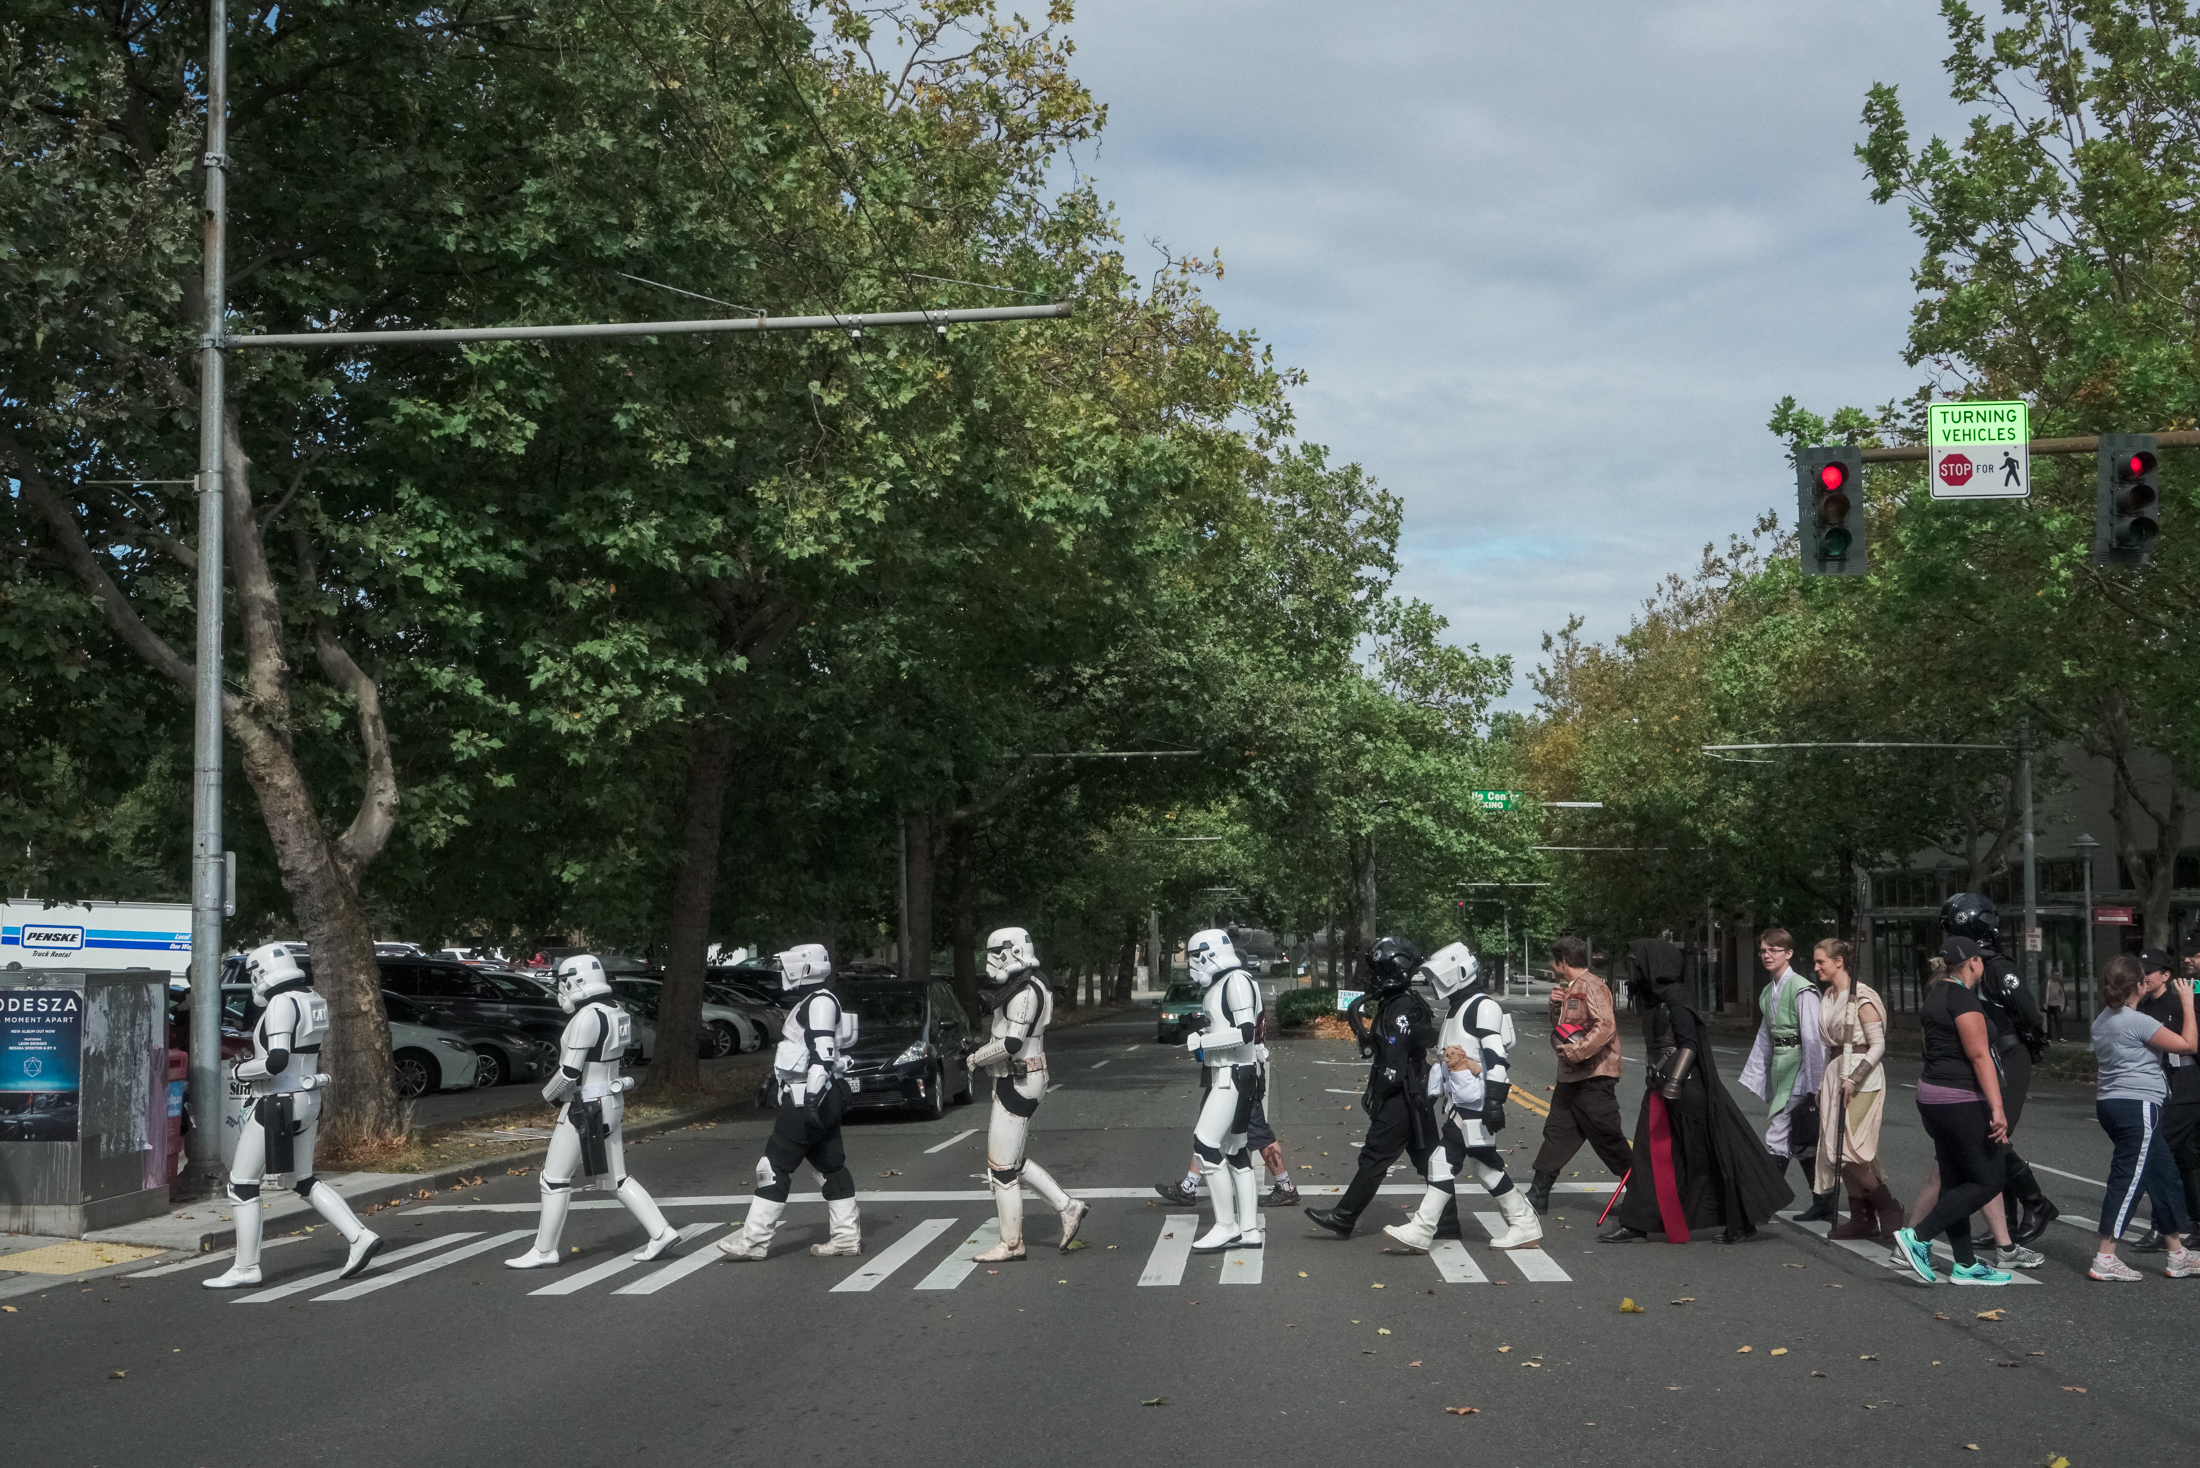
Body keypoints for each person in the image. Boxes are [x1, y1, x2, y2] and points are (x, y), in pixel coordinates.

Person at [202, 942, 384, 1289]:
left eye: (254, 974)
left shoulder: (281, 1003)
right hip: (307, 1097)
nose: (254, 981)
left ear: (261, 972)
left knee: (242, 1183)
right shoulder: (311, 997)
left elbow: (276, 1061)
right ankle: (359, 1236)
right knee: (301, 1180)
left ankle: (245, 1266)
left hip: (279, 1099)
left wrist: (241, 1071)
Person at [1602, 938, 1792, 1245]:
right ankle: (1636, 1223)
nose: (1632, 967)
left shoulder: (1676, 996)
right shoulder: (1653, 997)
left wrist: (1674, 1081)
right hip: (1658, 1084)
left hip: (1686, 1089)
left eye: (1635, 961)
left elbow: (1689, 1043)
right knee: (1648, 1155)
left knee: (1707, 1155)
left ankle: (1741, 1220)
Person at [505, 954, 681, 1269]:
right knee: (615, 1178)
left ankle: (544, 1250)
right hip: (610, 1100)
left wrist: (548, 1096)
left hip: (585, 1105)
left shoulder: (587, 1017)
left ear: (576, 980)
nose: (561, 989)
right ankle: (661, 1231)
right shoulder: (617, 1011)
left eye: (563, 982)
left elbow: (569, 1072)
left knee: (554, 1179)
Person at [1384, 943, 1541, 1252]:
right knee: (1485, 1168)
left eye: (1438, 978)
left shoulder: (1483, 1007)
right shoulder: (1460, 1010)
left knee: (1442, 1163)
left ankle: (1422, 1229)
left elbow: (1496, 1058)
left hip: (1477, 1106)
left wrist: (1495, 1100)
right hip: (1465, 1105)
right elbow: (1446, 1063)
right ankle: (1524, 1223)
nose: (1434, 985)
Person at [717, 943, 862, 1261]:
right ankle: (846, 1238)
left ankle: (754, 1241)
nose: (784, 971)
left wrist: (810, 1097)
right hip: (818, 1093)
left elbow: (822, 1054)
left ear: (805, 967)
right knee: (831, 1166)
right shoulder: (816, 1000)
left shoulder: (819, 1002)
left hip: (810, 1095)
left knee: (773, 1166)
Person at [1890, 937, 2017, 1285]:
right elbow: (1979, 1056)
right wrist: (1998, 1107)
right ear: (1972, 963)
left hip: (1932, 1095)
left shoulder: (1936, 993)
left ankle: (1964, 1264)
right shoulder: (1962, 998)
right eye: (1982, 960)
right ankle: (1917, 1237)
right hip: (1959, 1098)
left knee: (1954, 1179)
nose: (1985, 966)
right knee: (1988, 1180)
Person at [961, 927, 1088, 1262]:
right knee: (1012, 1162)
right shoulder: (1027, 985)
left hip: (1020, 1077)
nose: (990, 962)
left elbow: (1012, 1043)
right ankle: (1068, 1206)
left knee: (1001, 1168)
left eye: (996, 953)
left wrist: (976, 1058)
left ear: (1013, 951)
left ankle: (1012, 1243)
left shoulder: (1026, 991)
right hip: (1018, 1077)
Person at [1305, 936, 1439, 1241]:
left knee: (1375, 1156)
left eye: (1377, 970)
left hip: (1403, 1095)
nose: (1372, 977)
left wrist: (1377, 1096)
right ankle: (1447, 1220)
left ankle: (1344, 1217)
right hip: (1412, 1093)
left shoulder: (1402, 1006)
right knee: (1428, 1159)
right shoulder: (1399, 1003)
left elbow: (1393, 1065)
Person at [1942, 893, 2057, 1243]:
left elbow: (2029, 1013)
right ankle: (2004, 1223)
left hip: (2008, 1055)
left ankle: (2035, 1203)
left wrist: (2030, 1040)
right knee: (1990, 1139)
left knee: (1994, 1135)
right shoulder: (1973, 965)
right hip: (1988, 1056)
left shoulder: (1998, 968)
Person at [2085, 953, 2198, 1281]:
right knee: (2128, 1179)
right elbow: (2188, 1044)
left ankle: (2177, 1253)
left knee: (2163, 1176)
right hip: (2138, 1107)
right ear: (2138, 985)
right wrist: (2187, 1003)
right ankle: (2105, 1257)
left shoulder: (2103, 1019)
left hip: (2111, 1104)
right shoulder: (2137, 1021)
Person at [1528, 935, 1634, 1214]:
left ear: (1563, 961)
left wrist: (1578, 1052)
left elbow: (1606, 1025)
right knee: (1557, 1131)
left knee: (1607, 1135)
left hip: (1594, 1075)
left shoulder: (1592, 985)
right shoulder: (1570, 987)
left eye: (1554, 960)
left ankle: (1642, 1191)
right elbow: (1563, 1027)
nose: (1552, 965)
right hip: (1571, 1077)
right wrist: (1554, 1006)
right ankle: (1537, 1194)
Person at [1810, 938, 1904, 1243]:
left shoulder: (1861, 997)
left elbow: (1878, 1046)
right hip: (1837, 1071)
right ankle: (1862, 1219)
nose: (1816, 967)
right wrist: (1823, 1083)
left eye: (1821, 961)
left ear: (1839, 962)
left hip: (1863, 1076)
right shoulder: (1828, 996)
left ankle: (1888, 1207)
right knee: (1838, 1151)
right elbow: (1832, 1046)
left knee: (1850, 1150)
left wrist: (1853, 1078)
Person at [1180, 928, 1267, 1252]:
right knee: (1235, 1152)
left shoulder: (1236, 981)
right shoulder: (1227, 982)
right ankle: (1248, 1229)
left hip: (1233, 1075)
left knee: (1205, 1145)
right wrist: (1205, 1032)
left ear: (1209, 953)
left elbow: (1245, 1033)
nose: (1192, 964)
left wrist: (1204, 1041)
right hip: (1231, 1074)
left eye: (1194, 956)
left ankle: (1226, 1225)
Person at [1740, 928, 1830, 1217]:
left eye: (1774, 950)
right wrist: (1757, 1074)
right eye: (1764, 951)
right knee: (1802, 1140)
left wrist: (1815, 1084)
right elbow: (1765, 1038)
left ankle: (1761, 1204)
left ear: (1788, 953)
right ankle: (1824, 1203)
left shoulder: (1801, 988)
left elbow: (1813, 1039)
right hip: (1782, 1067)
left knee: (1778, 1135)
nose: (1767, 955)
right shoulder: (1768, 992)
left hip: (1800, 1069)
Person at [2135, 940, 2200, 1251]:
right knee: (2187, 1159)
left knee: (2153, 1154)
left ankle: (2162, 1226)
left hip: (2185, 1085)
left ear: (2165, 975)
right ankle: (2193, 1223)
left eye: (2150, 972)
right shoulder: (2143, 1005)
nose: (2144, 977)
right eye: (2141, 971)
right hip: (2160, 1085)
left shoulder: (2182, 1003)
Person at [2044, 967, 2067, 1045]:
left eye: (2058, 975)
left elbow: (2063, 993)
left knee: (2059, 1020)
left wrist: (2065, 1004)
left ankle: (2060, 1037)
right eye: (2055, 975)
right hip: (2049, 1004)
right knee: (2048, 1022)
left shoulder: (2060, 982)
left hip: (2057, 1004)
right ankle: (2048, 1037)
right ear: (2052, 975)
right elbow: (2043, 992)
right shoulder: (2048, 982)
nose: (2056, 977)